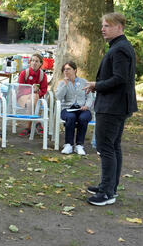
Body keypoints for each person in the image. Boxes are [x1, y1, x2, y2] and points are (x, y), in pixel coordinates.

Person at [84, 12, 137, 206]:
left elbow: (120, 79)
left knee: (106, 147)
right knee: (113, 147)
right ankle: (109, 187)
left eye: (107, 25)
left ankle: (107, 193)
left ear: (119, 27)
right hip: (116, 104)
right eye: (103, 25)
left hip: (113, 106)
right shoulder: (120, 46)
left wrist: (96, 85)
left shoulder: (120, 49)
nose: (102, 29)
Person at [54, 61, 93, 156]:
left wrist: (86, 106)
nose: (66, 71)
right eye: (64, 70)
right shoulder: (62, 83)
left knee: (83, 118)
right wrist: (65, 85)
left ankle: (79, 145)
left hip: (82, 108)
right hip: (67, 108)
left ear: (75, 70)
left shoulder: (83, 82)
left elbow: (89, 97)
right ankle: (68, 144)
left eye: (68, 69)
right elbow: (58, 97)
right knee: (70, 117)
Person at [16, 52, 49, 135]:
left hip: (36, 98)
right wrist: (32, 90)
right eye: (33, 61)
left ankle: (28, 128)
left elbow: (44, 90)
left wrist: (37, 91)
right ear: (30, 62)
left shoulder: (43, 75)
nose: (34, 63)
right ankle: (37, 122)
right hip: (22, 97)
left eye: (37, 61)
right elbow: (21, 89)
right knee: (33, 97)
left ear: (41, 63)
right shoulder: (24, 73)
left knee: (33, 99)